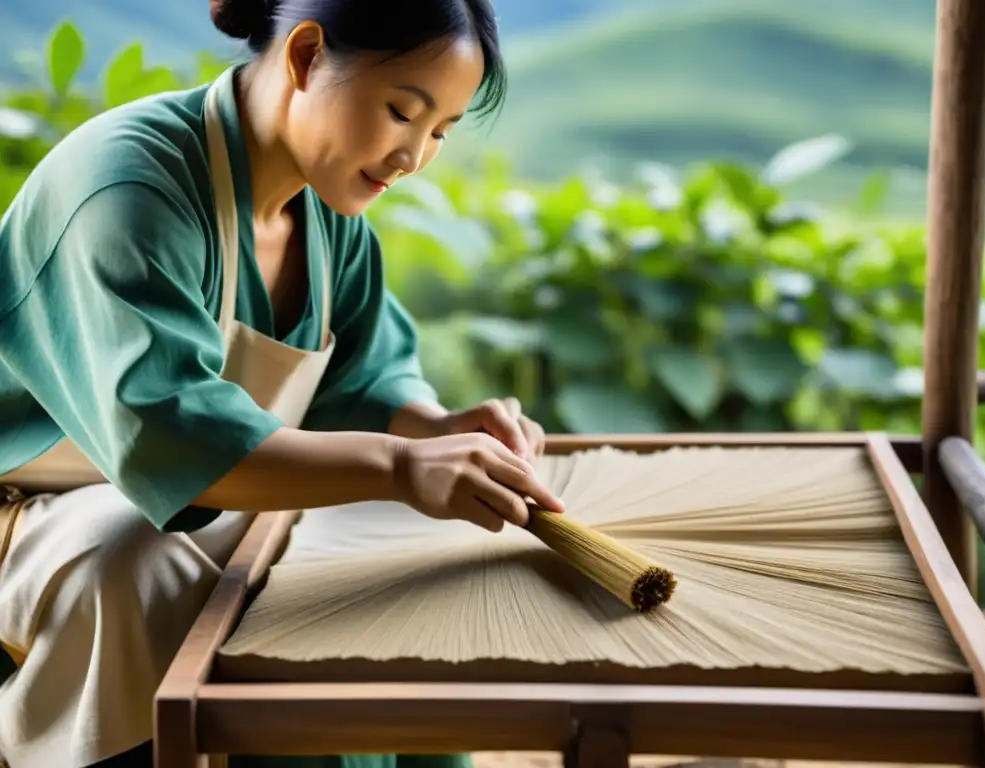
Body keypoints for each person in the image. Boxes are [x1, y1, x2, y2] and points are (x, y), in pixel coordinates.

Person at [0, 0, 566, 765]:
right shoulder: (125, 186)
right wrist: (402, 467)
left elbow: (370, 377)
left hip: (208, 502)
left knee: (403, 554)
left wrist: (437, 429)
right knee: (133, 556)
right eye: (402, 111)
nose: (413, 157)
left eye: (439, 132)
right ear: (304, 56)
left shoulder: (330, 220)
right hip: (34, 512)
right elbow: (174, 436)